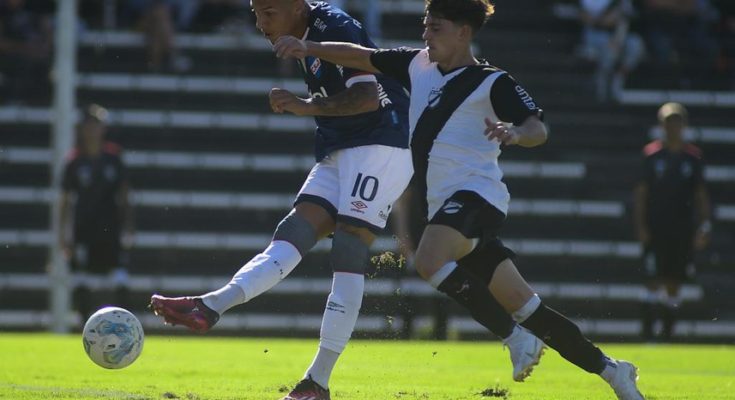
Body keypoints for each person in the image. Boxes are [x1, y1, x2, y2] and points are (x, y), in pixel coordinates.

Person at [273, 0, 645, 399]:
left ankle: (514, 339)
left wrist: (516, 134)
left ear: (463, 32)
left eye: (436, 28)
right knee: (526, 305)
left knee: (429, 259)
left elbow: (538, 127)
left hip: (477, 197)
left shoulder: (492, 81)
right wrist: (309, 48)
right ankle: (612, 371)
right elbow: (361, 55)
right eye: (425, 26)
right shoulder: (417, 65)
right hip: (447, 208)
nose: (426, 35)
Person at [150, 2, 421, 400]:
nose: (261, 24)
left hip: (383, 143)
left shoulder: (333, 25)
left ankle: (318, 382)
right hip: (342, 145)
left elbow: (366, 97)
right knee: (292, 230)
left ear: (297, 6)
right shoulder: (301, 34)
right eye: (256, 13)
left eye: (270, 12)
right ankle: (210, 307)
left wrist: (305, 106)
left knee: (348, 247)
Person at [633, 102, 710, 342]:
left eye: (677, 122)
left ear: (684, 125)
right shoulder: (652, 155)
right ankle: (647, 334)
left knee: (675, 280)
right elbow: (641, 194)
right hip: (656, 228)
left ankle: (667, 335)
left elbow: (700, 195)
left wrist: (704, 226)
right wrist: (641, 226)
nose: (673, 127)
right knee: (652, 279)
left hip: (682, 229)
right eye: (668, 122)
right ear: (661, 125)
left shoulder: (693, 158)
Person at [59, 104, 135, 324]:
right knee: (81, 281)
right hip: (84, 230)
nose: (92, 130)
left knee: (120, 279)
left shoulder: (114, 158)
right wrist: (63, 236)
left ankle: (125, 326)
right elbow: (64, 201)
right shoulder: (74, 161)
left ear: (103, 128)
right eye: (88, 125)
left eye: (96, 125)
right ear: (81, 129)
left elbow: (125, 195)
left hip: (111, 229)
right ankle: (85, 328)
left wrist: (129, 226)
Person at [578, 0, 645, 102]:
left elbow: (625, 18)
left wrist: (618, 35)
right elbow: (585, 17)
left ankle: (619, 78)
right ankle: (601, 82)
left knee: (636, 45)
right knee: (611, 51)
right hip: (596, 34)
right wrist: (604, 20)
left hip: (619, 34)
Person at [0, 0, 53, 104]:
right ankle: (13, 101)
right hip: (10, 57)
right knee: (22, 64)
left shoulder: (35, 8)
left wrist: (42, 48)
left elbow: (48, 34)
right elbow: (2, 43)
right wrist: (25, 48)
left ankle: (39, 103)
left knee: (44, 66)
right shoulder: (3, 11)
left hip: (36, 56)